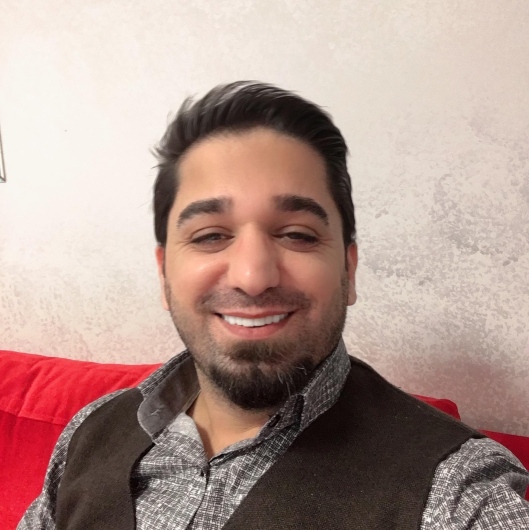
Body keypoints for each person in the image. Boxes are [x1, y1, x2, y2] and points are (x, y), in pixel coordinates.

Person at [19, 82, 529, 530]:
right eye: (211, 235)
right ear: (164, 275)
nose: (253, 276)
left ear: (348, 270)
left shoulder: (457, 492)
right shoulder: (91, 430)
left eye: (297, 234)